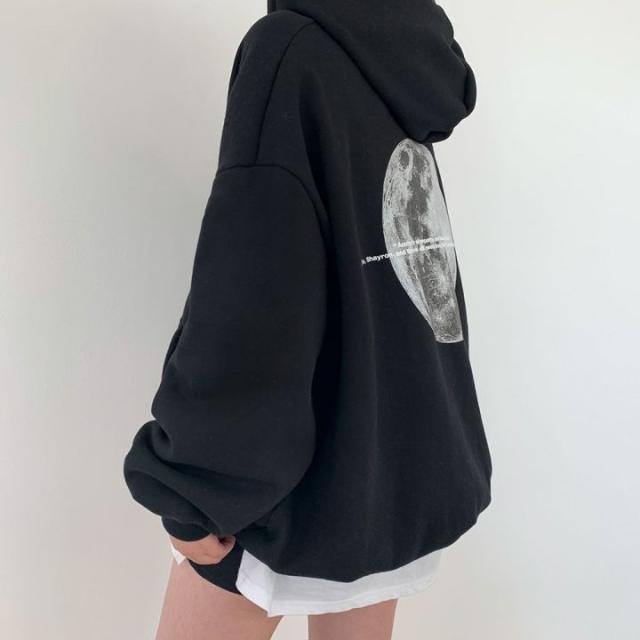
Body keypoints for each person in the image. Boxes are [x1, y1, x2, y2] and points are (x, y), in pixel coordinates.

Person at [123, 1, 492, 638]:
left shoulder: (290, 49)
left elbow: (252, 293)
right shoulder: (404, 56)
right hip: (398, 468)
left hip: (298, 491)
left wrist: (193, 491)